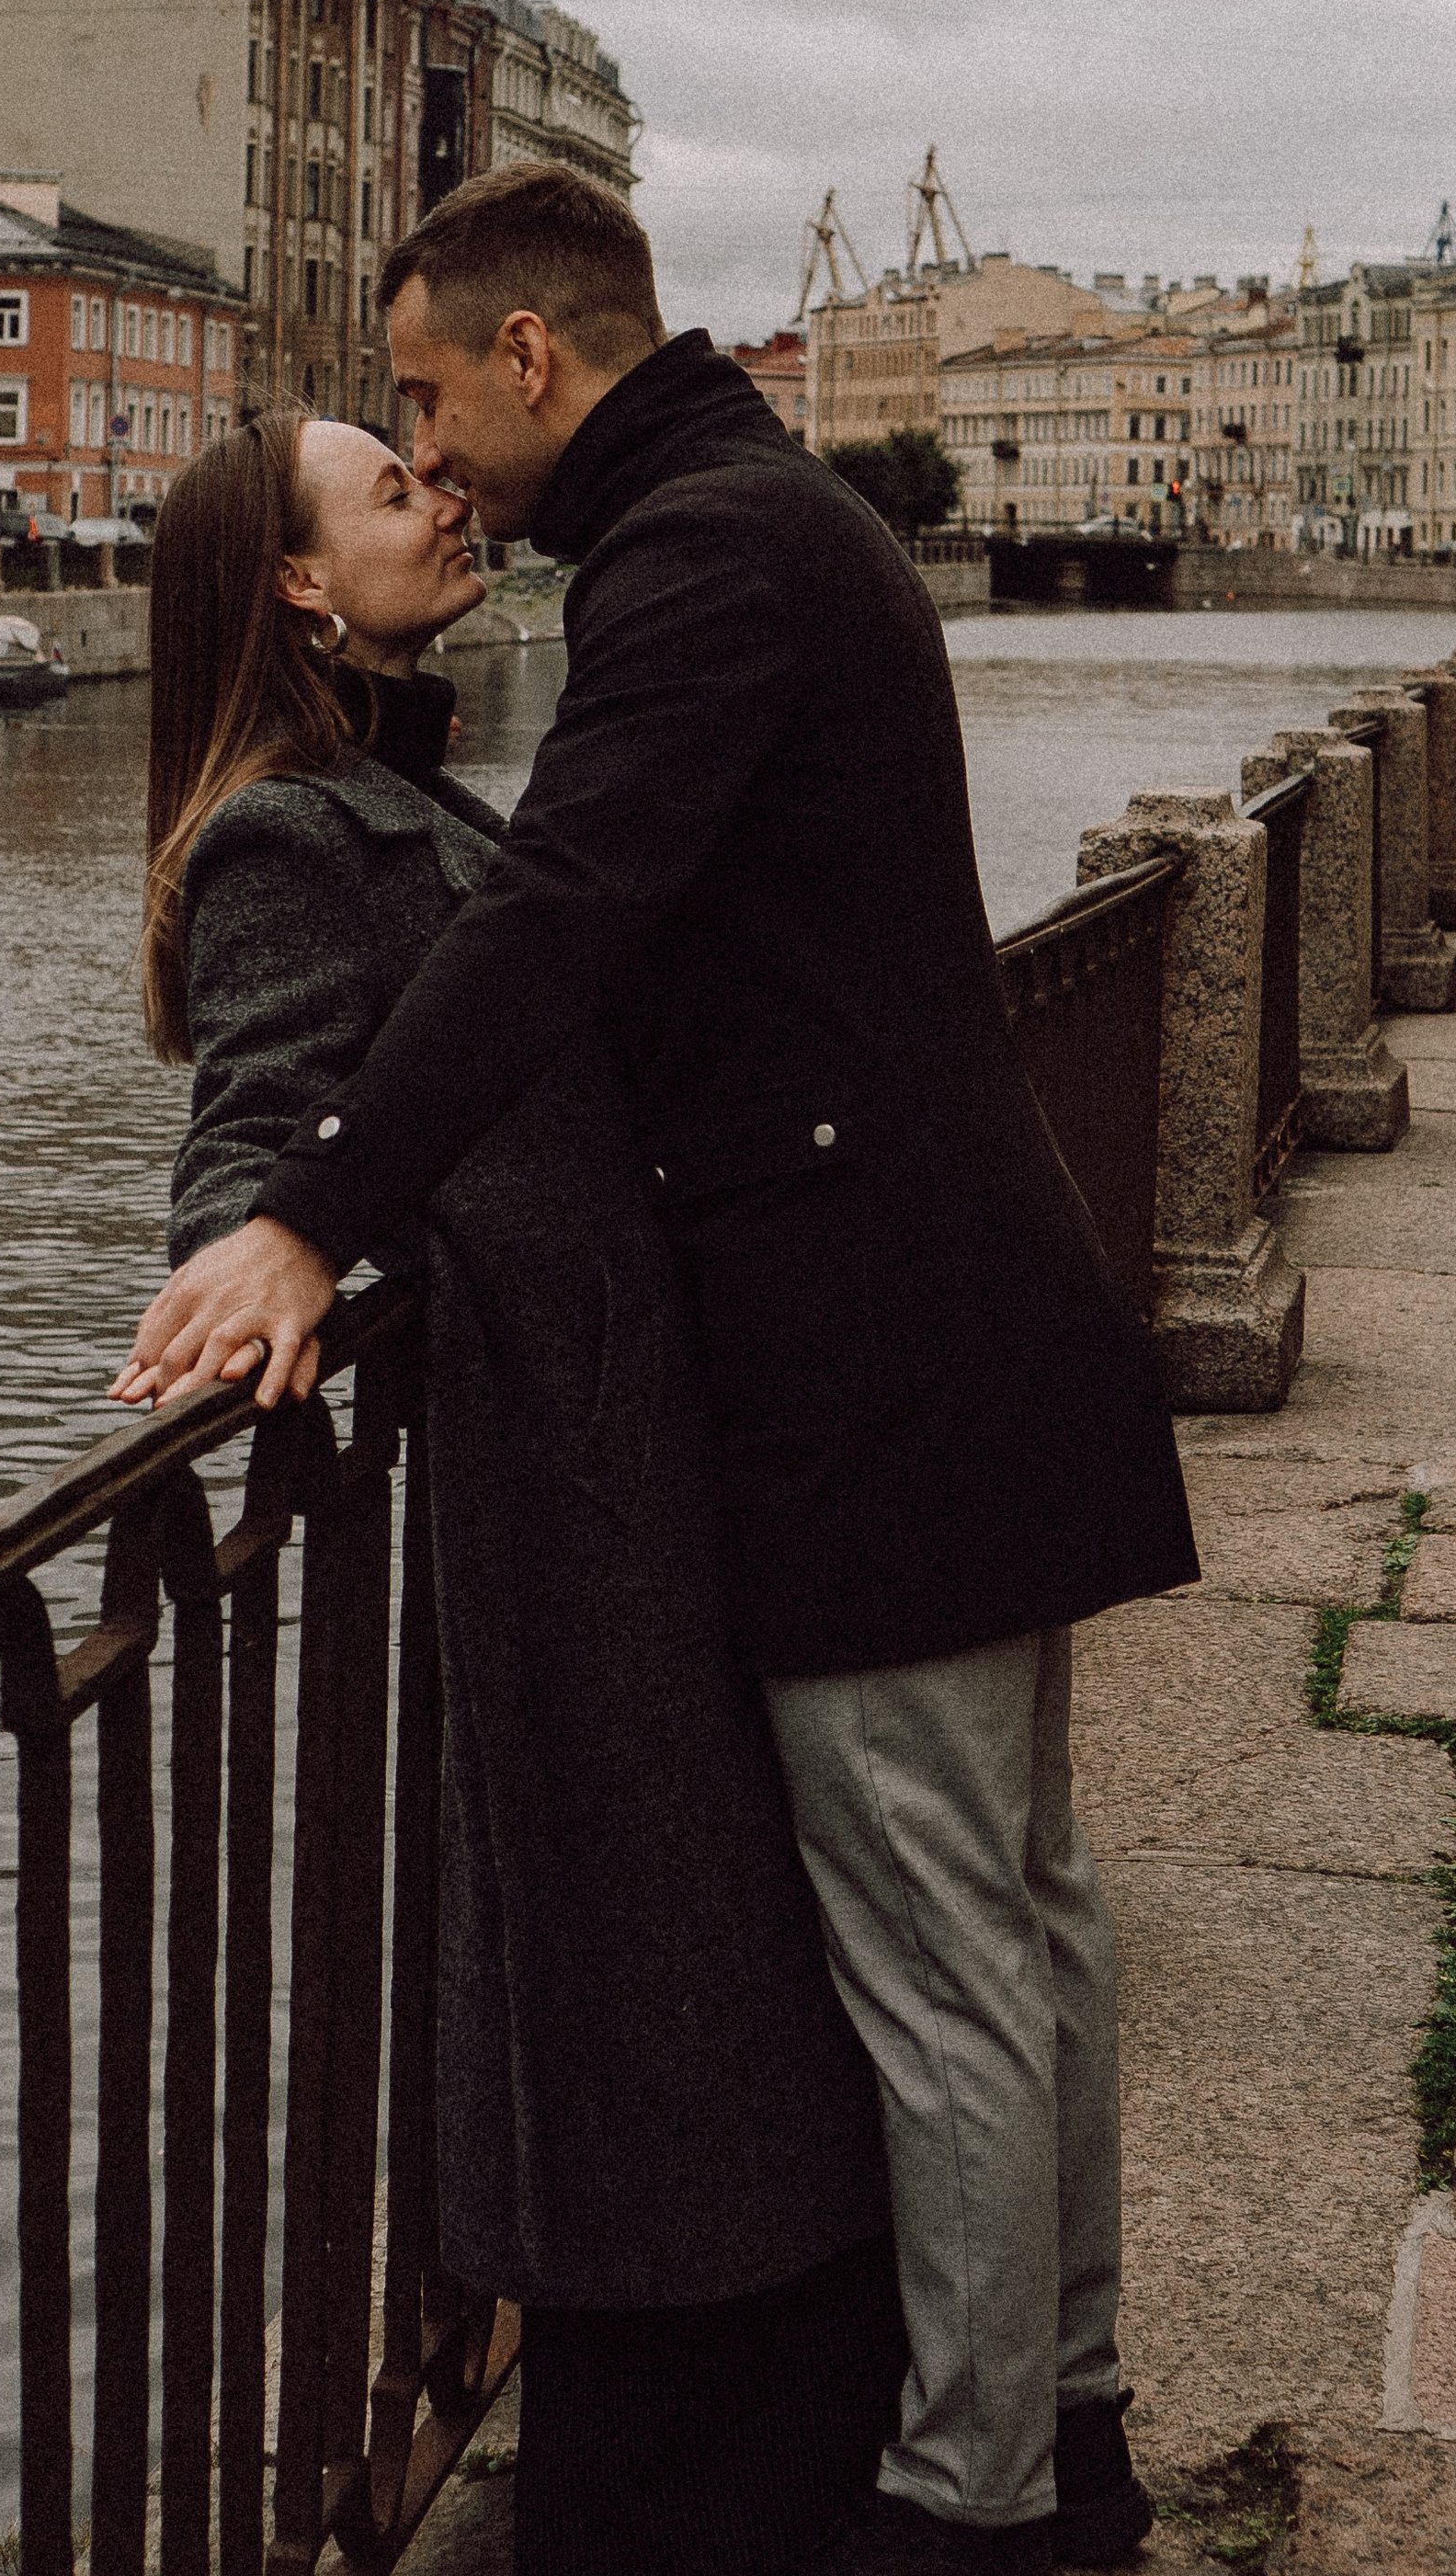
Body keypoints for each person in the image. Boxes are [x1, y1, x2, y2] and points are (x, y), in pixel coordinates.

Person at [117, 165, 1201, 2576]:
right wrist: (279, 1203)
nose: (434, 456)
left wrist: (317, 1216)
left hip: (874, 1383)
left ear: (530, 359)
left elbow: (570, 908)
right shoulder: (756, 517)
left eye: (425, 401)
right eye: (378, 443)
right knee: (1026, 1927)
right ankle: (1077, 2421)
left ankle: (980, 2503)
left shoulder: (698, 550)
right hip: (955, 1346)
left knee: (957, 1965)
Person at [137, 406, 904, 2576]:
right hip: (557, 1478)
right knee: (635, 1979)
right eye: (389, 491)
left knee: (691, 1970)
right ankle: (671, 2476)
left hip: (630, 1441)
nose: (442, 501)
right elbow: (258, 1103)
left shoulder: (401, 780)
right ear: (293, 583)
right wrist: (257, 1246)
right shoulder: (293, 831)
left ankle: (728, 2442)